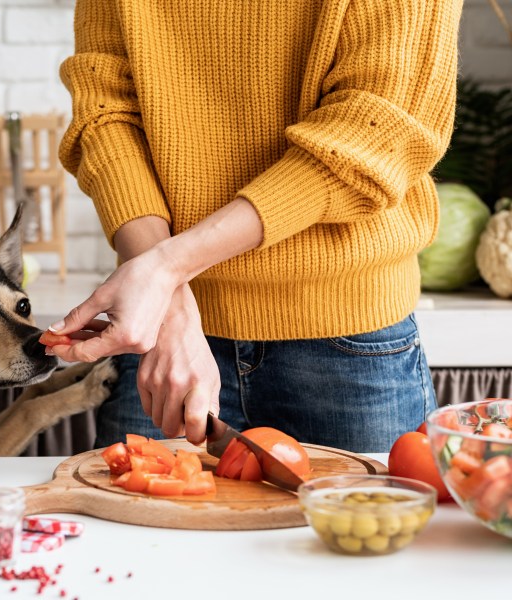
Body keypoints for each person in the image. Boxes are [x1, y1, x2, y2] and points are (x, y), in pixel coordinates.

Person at [48, 0, 461, 453]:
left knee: (361, 524)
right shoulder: (166, 310)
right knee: (132, 521)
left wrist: (165, 272)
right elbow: (104, 112)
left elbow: (374, 130)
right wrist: (170, 306)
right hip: (163, 335)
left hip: (347, 342)